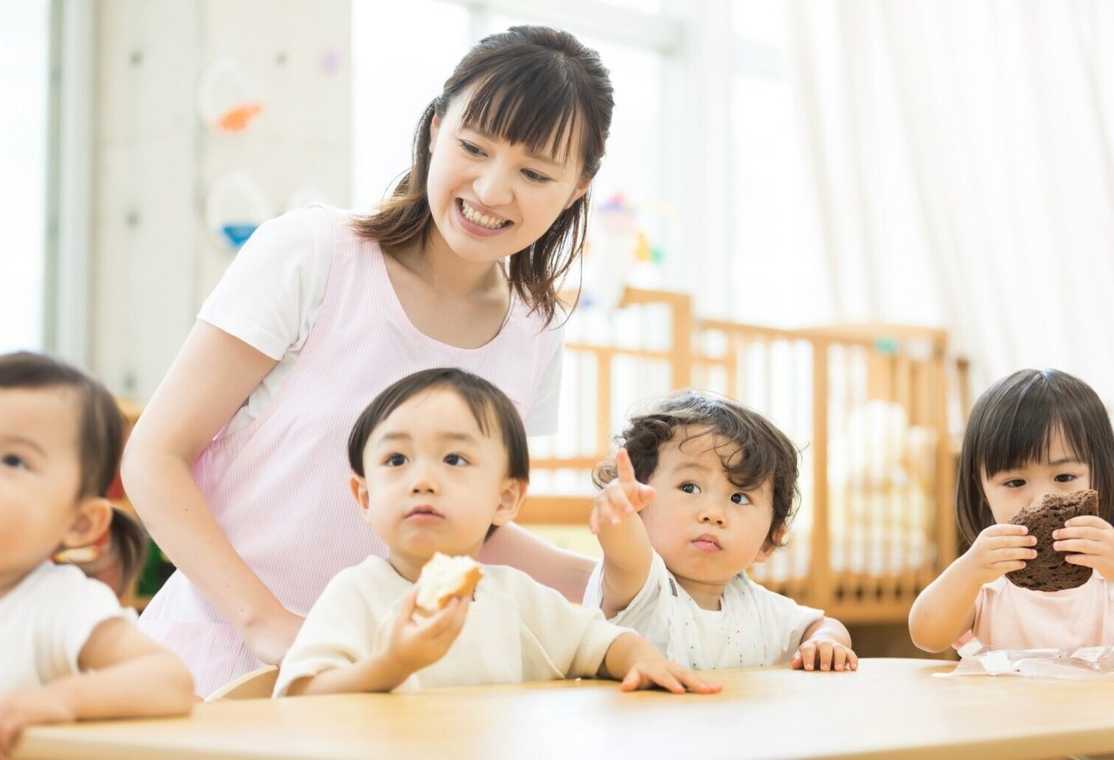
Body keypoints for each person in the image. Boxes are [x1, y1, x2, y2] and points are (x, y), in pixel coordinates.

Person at [120, 25, 616, 696]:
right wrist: (265, 622)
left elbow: (472, 529)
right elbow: (154, 456)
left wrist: (643, 582)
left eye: (534, 172)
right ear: (436, 128)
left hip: (394, 696)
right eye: (473, 147)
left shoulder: (537, 326)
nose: (493, 189)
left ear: (578, 186)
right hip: (220, 670)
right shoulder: (315, 253)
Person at [272, 368, 719, 697]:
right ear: (365, 497)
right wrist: (391, 665)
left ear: (505, 499)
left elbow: (598, 642)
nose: (422, 480)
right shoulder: (356, 594)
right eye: (396, 460)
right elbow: (300, 698)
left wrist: (642, 659)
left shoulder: (514, 596)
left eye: (453, 460)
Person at [0, 352, 194, 760]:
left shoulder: (55, 604)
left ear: (79, 523)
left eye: (13, 460)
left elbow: (168, 679)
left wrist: (63, 700)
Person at [584, 390, 859, 672]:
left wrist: (825, 641)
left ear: (769, 541)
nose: (713, 514)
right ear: (641, 509)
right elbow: (623, 550)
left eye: (739, 497)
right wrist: (619, 513)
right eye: (689, 487)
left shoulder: (757, 606)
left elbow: (822, 624)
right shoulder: (642, 583)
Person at [908, 368, 1114, 653]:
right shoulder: (986, 583)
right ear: (982, 492)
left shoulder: (1107, 576)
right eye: (1015, 482)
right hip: (1003, 700)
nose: (1042, 500)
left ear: (1101, 476)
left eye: (1064, 477)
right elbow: (926, 636)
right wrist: (969, 571)